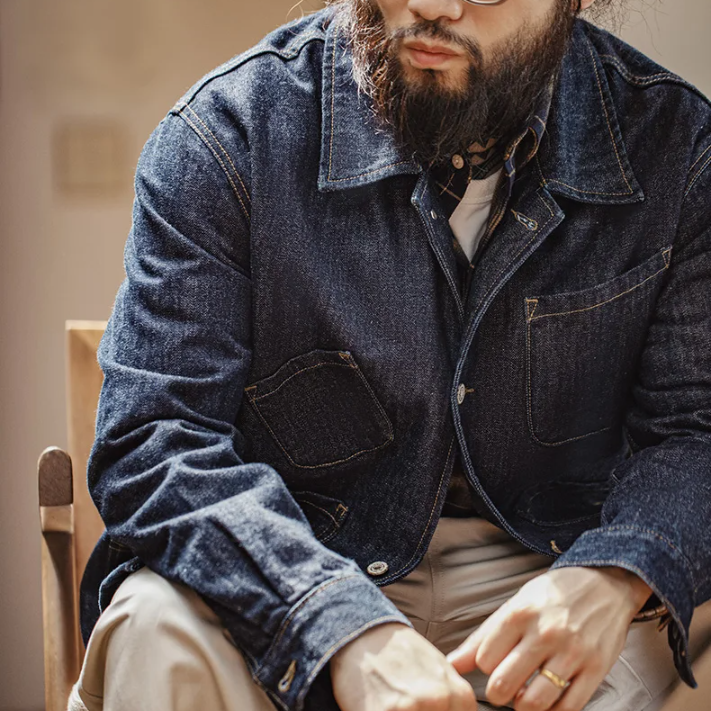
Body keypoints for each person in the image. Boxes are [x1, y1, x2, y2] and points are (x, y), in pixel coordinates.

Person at [68, 0, 711, 710]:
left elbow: (696, 430)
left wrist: (618, 572)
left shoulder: (679, 146)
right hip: (291, 558)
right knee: (152, 624)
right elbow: (155, 440)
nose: (432, 5)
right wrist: (336, 621)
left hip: (556, 562)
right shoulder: (226, 135)